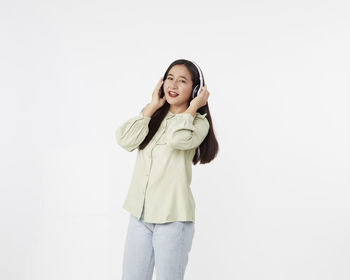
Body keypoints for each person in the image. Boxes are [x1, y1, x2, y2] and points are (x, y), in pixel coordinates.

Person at [115, 59, 219, 279]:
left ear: (196, 90)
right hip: (140, 215)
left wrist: (192, 108)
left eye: (182, 81)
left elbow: (178, 140)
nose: (173, 85)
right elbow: (125, 140)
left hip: (173, 219)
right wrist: (152, 106)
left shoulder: (198, 123)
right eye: (169, 79)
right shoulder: (152, 116)